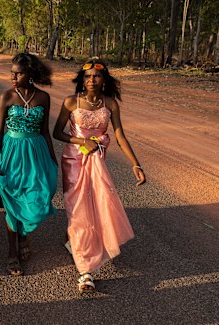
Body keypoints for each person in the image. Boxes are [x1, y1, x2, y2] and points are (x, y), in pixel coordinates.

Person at [52, 59, 146, 292]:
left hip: (98, 161)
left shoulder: (110, 104)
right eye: (88, 76)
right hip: (74, 161)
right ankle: (86, 272)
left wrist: (136, 164)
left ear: (104, 80)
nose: (92, 80)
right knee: (78, 209)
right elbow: (57, 132)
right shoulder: (71, 102)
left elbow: (120, 135)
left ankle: (78, 243)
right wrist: (82, 140)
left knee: (96, 206)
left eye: (96, 76)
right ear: (81, 80)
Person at [0, 53, 58, 276]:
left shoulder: (44, 98)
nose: (13, 76)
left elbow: (45, 131)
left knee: (37, 197)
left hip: (36, 153)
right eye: (12, 73)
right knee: (12, 202)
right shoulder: (7, 97)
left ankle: (24, 234)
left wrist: (51, 157)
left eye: (18, 73)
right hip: (11, 152)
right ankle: (12, 253)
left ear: (29, 74)